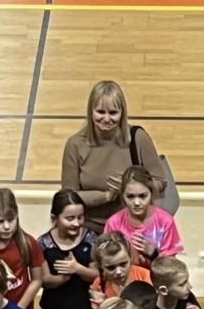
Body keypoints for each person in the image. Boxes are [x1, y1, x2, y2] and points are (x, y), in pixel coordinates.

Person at [60, 80, 169, 235]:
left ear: (122, 113)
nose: (106, 119)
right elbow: (68, 197)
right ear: (91, 111)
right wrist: (106, 196)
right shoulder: (75, 145)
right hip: (88, 228)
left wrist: (132, 187)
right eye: (100, 112)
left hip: (133, 226)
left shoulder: (138, 138)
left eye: (113, 113)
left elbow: (160, 181)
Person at [102, 166, 183, 270]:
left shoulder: (165, 221)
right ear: (122, 196)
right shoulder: (113, 223)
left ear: (151, 194)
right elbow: (106, 260)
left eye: (142, 196)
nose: (136, 202)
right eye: (130, 196)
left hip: (157, 277)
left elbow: (171, 267)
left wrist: (153, 254)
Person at [91, 231, 151, 304]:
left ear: (130, 258)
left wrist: (108, 304)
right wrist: (103, 305)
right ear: (100, 266)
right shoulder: (99, 284)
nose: (118, 272)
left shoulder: (144, 276)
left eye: (123, 264)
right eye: (111, 268)